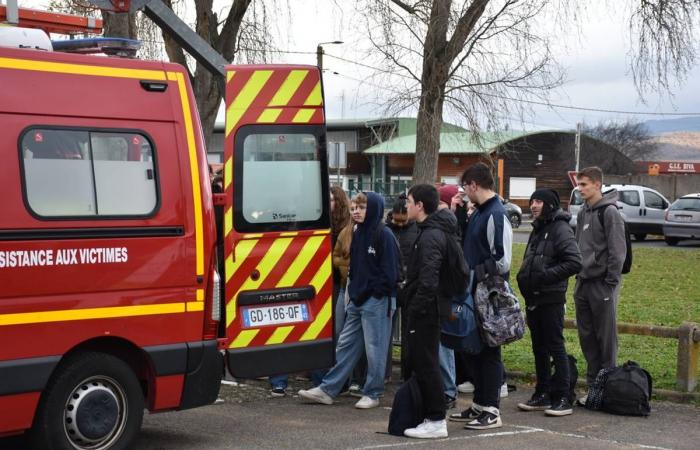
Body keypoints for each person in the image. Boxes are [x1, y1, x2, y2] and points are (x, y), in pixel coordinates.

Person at [298, 192, 399, 409]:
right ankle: (328, 389)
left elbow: (390, 273)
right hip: (357, 299)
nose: (356, 211)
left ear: (372, 209)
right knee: (345, 345)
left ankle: (372, 392)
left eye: (361, 207)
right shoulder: (356, 231)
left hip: (376, 301)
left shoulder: (384, 235)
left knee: (375, 349)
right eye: (353, 207)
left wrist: (375, 293)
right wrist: (353, 293)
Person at [449, 163, 511, 430]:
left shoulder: (496, 214)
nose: (464, 193)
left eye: (465, 188)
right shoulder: (479, 213)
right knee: (474, 349)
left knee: (489, 352)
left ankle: (492, 409)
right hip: (474, 293)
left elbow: (503, 260)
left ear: (474, 185)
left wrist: (473, 274)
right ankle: (479, 403)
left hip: (489, 295)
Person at [516, 188, 582, 416]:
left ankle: (563, 396)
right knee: (538, 348)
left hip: (551, 297)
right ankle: (542, 392)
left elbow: (574, 262)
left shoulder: (560, 228)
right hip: (533, 297)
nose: (533, 205)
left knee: (555, 345)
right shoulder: (538, 228)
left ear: (549, 204)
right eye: (531, 200)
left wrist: (544, 276)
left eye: (538, 201)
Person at [401, 184, 457, 439]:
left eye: (409, 201)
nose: (406, 205)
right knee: (424, 362)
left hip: (428, 309)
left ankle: (436, 420)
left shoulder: (431, 235)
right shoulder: (427, 231)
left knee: (427, 363)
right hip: (428, 307)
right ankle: (430, 416)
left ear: (420, 205)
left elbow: (428, 280)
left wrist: (415, 307)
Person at [573, 167, 627, 405]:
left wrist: (610, 283)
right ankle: (593, 389)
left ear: (597, 184)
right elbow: (578, 246)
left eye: (584, 184)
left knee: (605, 341)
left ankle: (607, 391)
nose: (580, 188)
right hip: (583, 284)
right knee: (587, 338)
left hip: (602, 285)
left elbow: (618, 252)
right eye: (578, 184)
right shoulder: (584, 212)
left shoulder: (610, 213)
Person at [385, 195, 419, 383]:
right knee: (386, 332)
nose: (399, 224)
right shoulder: (386, 229)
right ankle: (385, 372)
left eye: (403, 220)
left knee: (408, 332)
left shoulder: (415, 229)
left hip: (409, 286)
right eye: (396, 220)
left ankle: (407, 373)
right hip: (392, 286)